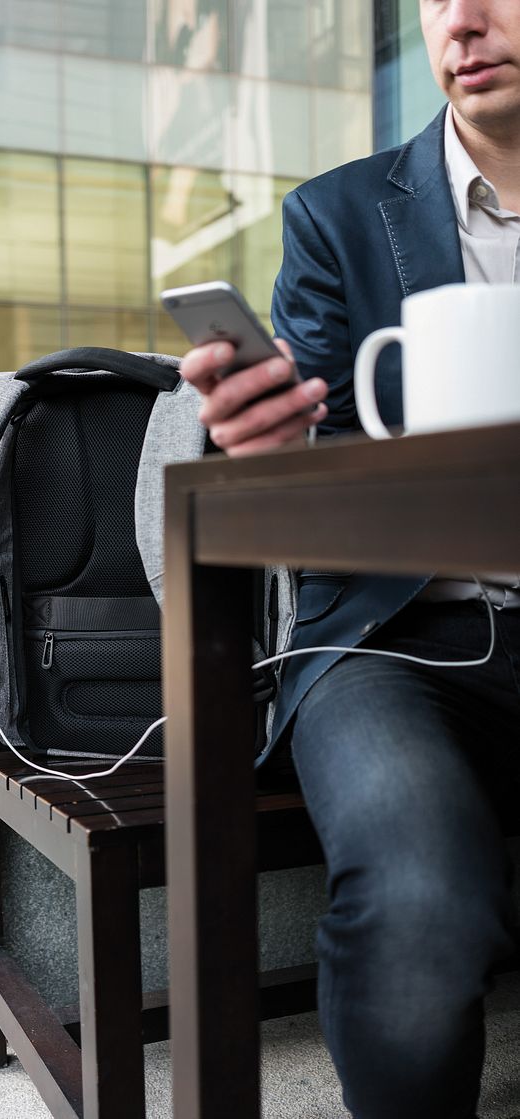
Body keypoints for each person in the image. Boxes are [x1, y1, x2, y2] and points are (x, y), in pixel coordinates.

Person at [180, 2, 520, 1116]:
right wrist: (272, 445)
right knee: (419, 904)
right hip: (391, 640)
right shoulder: (335, 214)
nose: (459, 21)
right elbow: (314, 427)